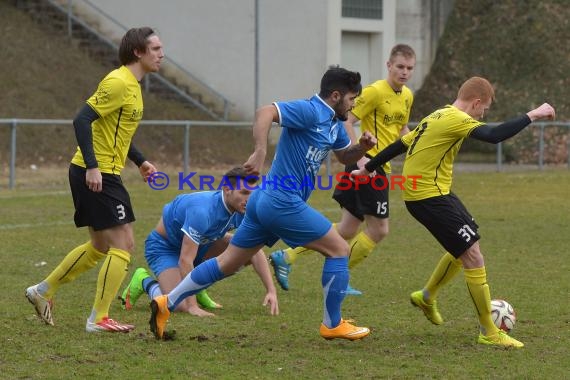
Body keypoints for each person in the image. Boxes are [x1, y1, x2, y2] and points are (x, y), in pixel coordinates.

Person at [148, 67, 377, 341]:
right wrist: (260, 150)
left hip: (263, 202)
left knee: (227, 263)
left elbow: (343, 155)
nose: (353, 106)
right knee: (339, 249)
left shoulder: (334, 124)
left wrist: (362, 147)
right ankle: (333, 323)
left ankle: (166, 303)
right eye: (352, 99)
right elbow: (265, 112)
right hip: (281, 200)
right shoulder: (310, 110)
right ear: (336, 96)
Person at [351, 76, 555, 348]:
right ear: (477, 102)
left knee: (469, 244)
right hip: (428, 196)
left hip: (436, 193)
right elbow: (494, 136)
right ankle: (489, 331)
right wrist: (534, 114)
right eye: (485, 109)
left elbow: (401, 144)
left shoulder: (437, 115)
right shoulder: (455, 118)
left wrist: (367, 168)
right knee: (473, 255)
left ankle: (426, 296)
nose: (483, 115)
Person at [25, 27, 163, 333]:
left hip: (104, 171)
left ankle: (42, 291)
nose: (161, 54)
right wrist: (92, 166)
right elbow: (82, 119)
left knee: (101, 245)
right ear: (138, 52)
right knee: (124, 243)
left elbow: (117, 130)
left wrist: (140, 161)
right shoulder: (117, 82)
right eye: (155, 48)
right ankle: (98, 318)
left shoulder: (134, 86)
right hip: (96, 173)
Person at [269, 44, 416, 295]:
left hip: (374, 166)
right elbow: (347, 119)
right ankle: (341, 278)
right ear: (389, 65)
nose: (404, 72)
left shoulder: (407, 96)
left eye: (409, 68)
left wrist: (419, 143)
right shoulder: (374, 92)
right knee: (379, 229)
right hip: (368, 165)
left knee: (347, 228)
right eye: (400, 66)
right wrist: (360, 160)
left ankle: (287, 256)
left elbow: (401, 130)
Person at [119, 167, 278, 317]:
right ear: (227, 189)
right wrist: (192, 307)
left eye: (252, 193)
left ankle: (198, 286)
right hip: (165, 247)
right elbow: (185, 259)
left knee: (245, 250)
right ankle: (143, 282)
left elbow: (254, 250)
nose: (249, 199)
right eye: (244, 193)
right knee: (178, 305)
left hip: (203, 242)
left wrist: (271, 290)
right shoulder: (202, 211)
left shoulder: (244, 208)